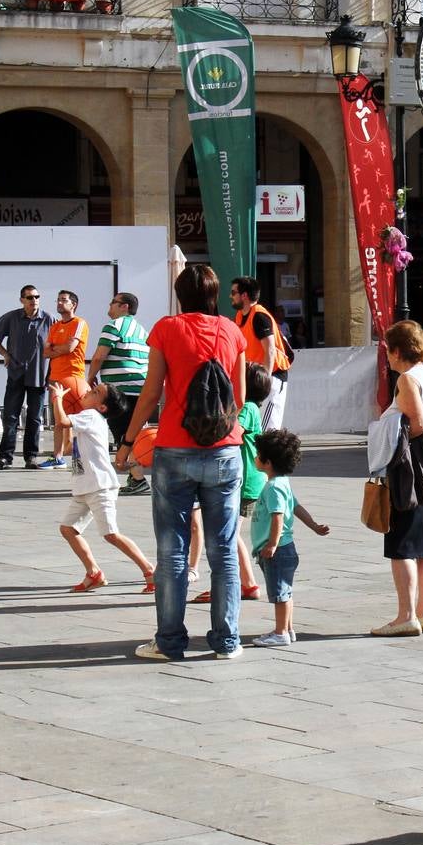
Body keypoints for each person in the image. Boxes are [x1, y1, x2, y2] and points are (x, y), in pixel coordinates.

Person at [114, 264, 246, 660]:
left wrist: (127, 440)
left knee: (172, 551)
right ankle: (227, 641)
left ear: (180, 294)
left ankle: (170, 642)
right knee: (223, 550)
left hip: (174, 449)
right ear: (215, 294)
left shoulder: (167, 328)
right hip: (225, 450)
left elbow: (151, 391)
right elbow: (238, 398)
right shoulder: (233, 331)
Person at [370, 320, 423, 637]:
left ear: (396, 350)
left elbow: (417, 423)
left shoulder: (407, 379)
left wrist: (387, 431)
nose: (386, 356)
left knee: (401, 541)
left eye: (387, 349)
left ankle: (405, 615)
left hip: (412, 464)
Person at [49, 380, 155, 594]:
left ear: (102, 407)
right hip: (84, 487)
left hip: (100, 486)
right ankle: (93, 572)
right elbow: (69, 447)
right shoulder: (87, 419)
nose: (88, 391)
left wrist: (57, 399)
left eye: (95, 392)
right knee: (68, 529)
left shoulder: (91, 416)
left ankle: (150, 571)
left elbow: (60, 421)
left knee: (111, 534)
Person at [190, 362, 273, 604]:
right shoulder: (251, 407)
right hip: (249, 482)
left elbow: (232, 431)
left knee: (226, 534)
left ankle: (239, 585)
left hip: (245, 482)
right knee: (230, 534)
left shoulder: (247, 408)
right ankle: (247, 584)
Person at [249, 429, 329, 647]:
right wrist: (313, 526)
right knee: (285, 591)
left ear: (268, 462)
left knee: (279, 594)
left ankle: (281, 632)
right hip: (284, 549)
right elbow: (296, 507)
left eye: (258, 455)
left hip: (277, 550)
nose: (255, 458)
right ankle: (288, 629)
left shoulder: (274, 487)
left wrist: (272, 544)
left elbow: (278, 516)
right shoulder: (282, 482)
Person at [87, 291, 151, 495]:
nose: (109, 306)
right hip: (140, 387)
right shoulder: (142, 330)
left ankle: (138, 479)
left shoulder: (114, 326)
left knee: (124, 435)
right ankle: (136, 477)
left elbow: (99, 356)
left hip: (120, 389)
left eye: (113, 302)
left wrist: (91, 377)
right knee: (134, 435)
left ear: (125, 307)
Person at [0, 284, 53, 470]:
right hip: (16, 374)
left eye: (37, 297)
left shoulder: (48, 319)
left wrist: (52, 371)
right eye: (30, 297)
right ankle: (5, 457)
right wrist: (5, 354)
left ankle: (31, 457)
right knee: (10, 416)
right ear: (22, 300)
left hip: (39, 376)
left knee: (35, 418)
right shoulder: (12, 317)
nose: (34, 301)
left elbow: (56, 346)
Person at [231, 277, 291, 431]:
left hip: (272, 378)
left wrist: (265, 381)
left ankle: (270, 455)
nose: (231, 296)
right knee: (255, 429)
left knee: (268, 430)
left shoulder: (259, 316)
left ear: (244, 295)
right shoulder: (240, 316)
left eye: (234, 292)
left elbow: (270, 350)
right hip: (255, 380)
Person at [39, 289, 89, 469]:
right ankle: (57, 457)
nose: (59, 303)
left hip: (73, 378)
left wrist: (55, 349)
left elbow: (70, 347)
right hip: (55, 378)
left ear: (73, 304)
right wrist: (57, 349)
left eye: (64, 300)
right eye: (58, 300)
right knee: (59, 419)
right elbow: (45, 352)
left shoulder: (79, 323)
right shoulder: (54, 326)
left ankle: (82, 455)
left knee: (77, 418)